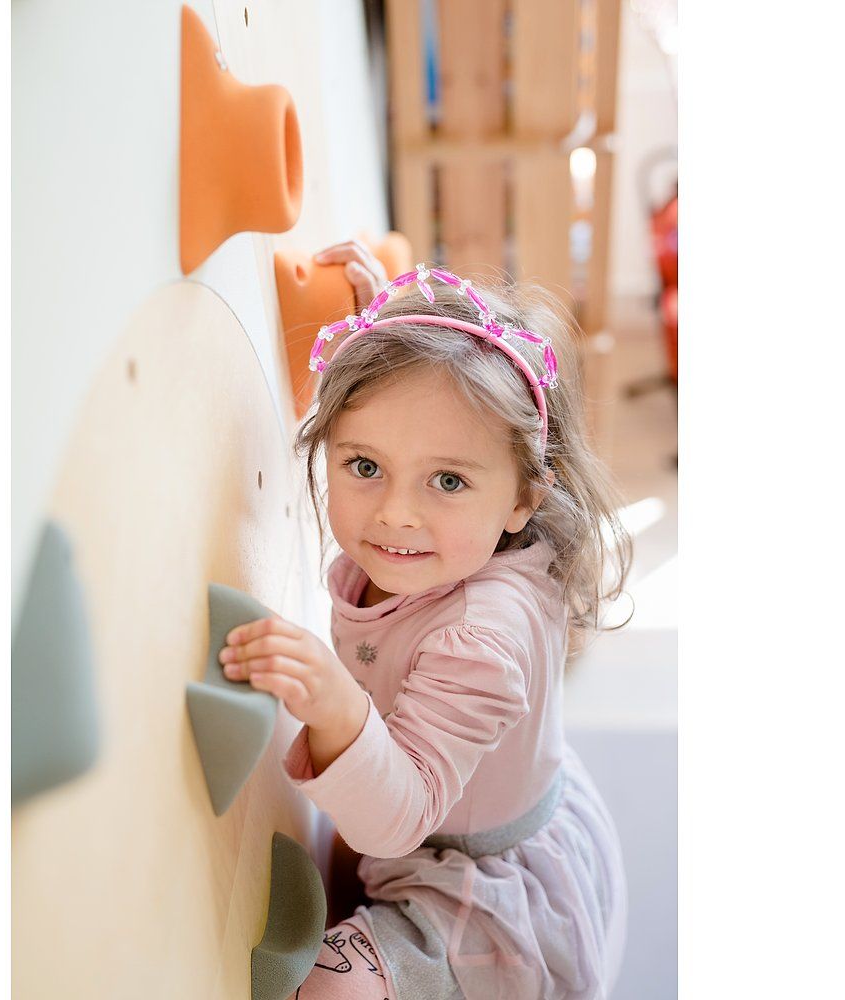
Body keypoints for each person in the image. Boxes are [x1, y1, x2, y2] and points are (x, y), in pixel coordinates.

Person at [218, 241, 633, 999]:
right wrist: (389, 324)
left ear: (522, 500)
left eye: (447, 480)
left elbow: (396, 821)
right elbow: (426, 407)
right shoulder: (456, 533)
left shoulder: (482, 638)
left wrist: (337, 704)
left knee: (322, 989)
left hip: (478, 893)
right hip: (436, 820)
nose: (396, 513)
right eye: (365, 465)